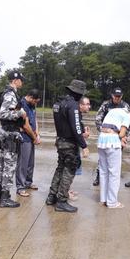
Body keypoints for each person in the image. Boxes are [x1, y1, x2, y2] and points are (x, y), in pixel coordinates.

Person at [46, 80, 89, 213]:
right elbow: (76, 128)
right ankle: (62, 201)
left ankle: (51, 196)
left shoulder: (58, 104)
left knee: (60, 168)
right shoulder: (73, 105)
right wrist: (84, 145)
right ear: (78, 93)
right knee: (69, 170)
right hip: (69, 143)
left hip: (60, 140)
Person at [0, 70, 27, 208]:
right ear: (15, 80)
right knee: (9, 166)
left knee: (2, 164)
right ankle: (5, 197)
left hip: (7, 134)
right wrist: (20, 113)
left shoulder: (9, 93)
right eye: (21, 80)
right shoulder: (10, 94)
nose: (22, 82)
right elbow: (4, 113)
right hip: (10, 134)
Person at [93, 87, 130, 186]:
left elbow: (129, 123)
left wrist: (124, 136)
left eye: (119, 96)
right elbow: (98, 119)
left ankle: (112, 179)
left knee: (115, 160)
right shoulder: (106, 105)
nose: (117, 98)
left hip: (119, 137)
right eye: (115, 96)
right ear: (112, 95)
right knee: (102, 159)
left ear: (122, 96)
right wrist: (103, 130)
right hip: (106, 136)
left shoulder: (125, 106)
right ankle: (99, 177)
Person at [98, 108, 130, 208]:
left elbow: (103, 126)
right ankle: (112, 202)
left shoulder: (113, 111)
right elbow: (122, 133)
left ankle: (104, 199)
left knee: (103, 172)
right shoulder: (128, 115)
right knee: (114, 173)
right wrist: (120, 135)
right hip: (112, 142)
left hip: (102, 140)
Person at [15, 89, 41, 197]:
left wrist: (37, 134)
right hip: (24, 138)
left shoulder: (32, 105)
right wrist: (34, 137)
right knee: (23, 164)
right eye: (35, 101)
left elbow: (34, 119)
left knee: (30, 162)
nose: (35, 104)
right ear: (30, 97)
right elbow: (25, 126)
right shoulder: (21, 105)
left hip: (31, 137)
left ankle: (28, 182)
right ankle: (20, 187)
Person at [68, 96, 91, 201]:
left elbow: (78, 133)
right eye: (87, 104)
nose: (89, 106)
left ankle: (68, 188)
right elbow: (74, 131)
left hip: (75, 144)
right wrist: (84, 146)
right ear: (81, 105)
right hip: (71, 146)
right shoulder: (75, 114)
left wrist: (84, 134)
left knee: (73, 169)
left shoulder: (79, 115)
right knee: (69, 169)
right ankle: (66, 191)